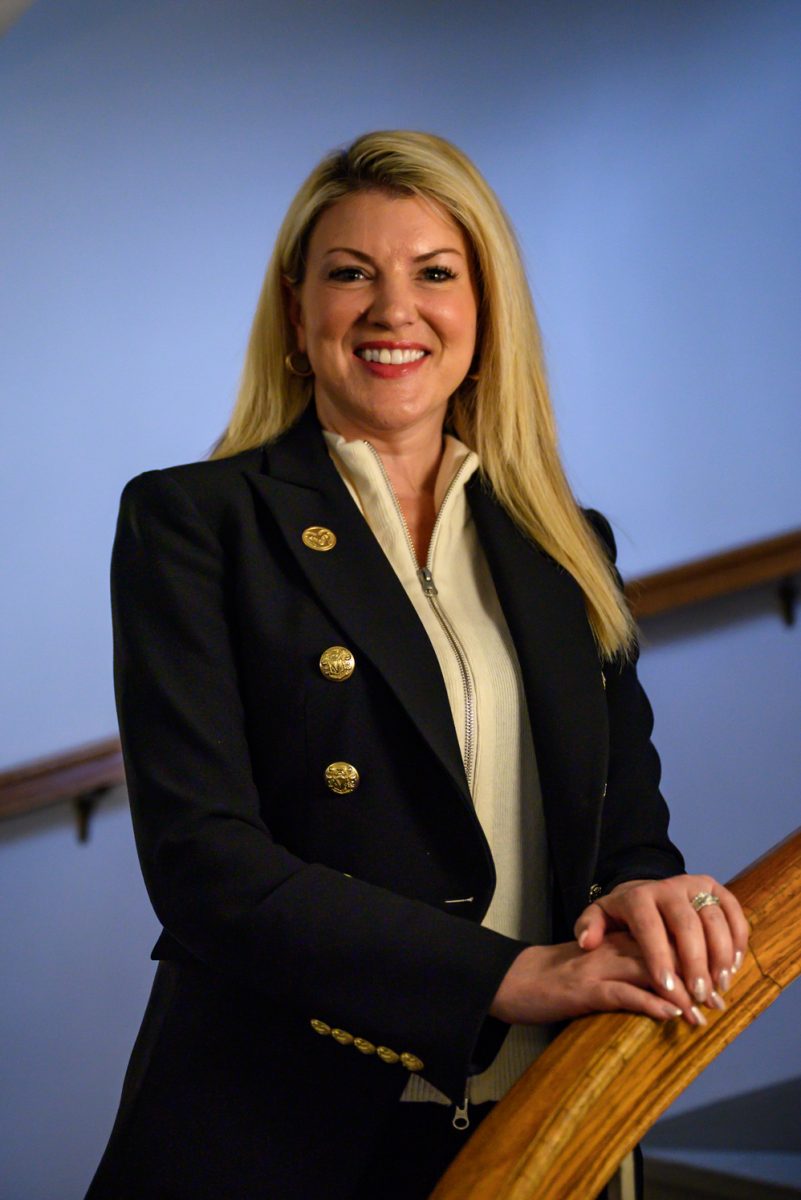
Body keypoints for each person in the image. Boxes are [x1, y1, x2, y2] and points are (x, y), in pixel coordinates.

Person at [86, 131, 749, 1200]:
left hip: (544, 1112)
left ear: (483, 315)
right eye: (352, 274)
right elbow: (204, 862)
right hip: (279, 1124)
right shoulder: (192, 522)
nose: (394, 309)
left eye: (435, 273)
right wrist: (507, 976)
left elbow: (625, 832)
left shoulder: (570, 545)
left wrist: (648, 897)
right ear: (299, 315)